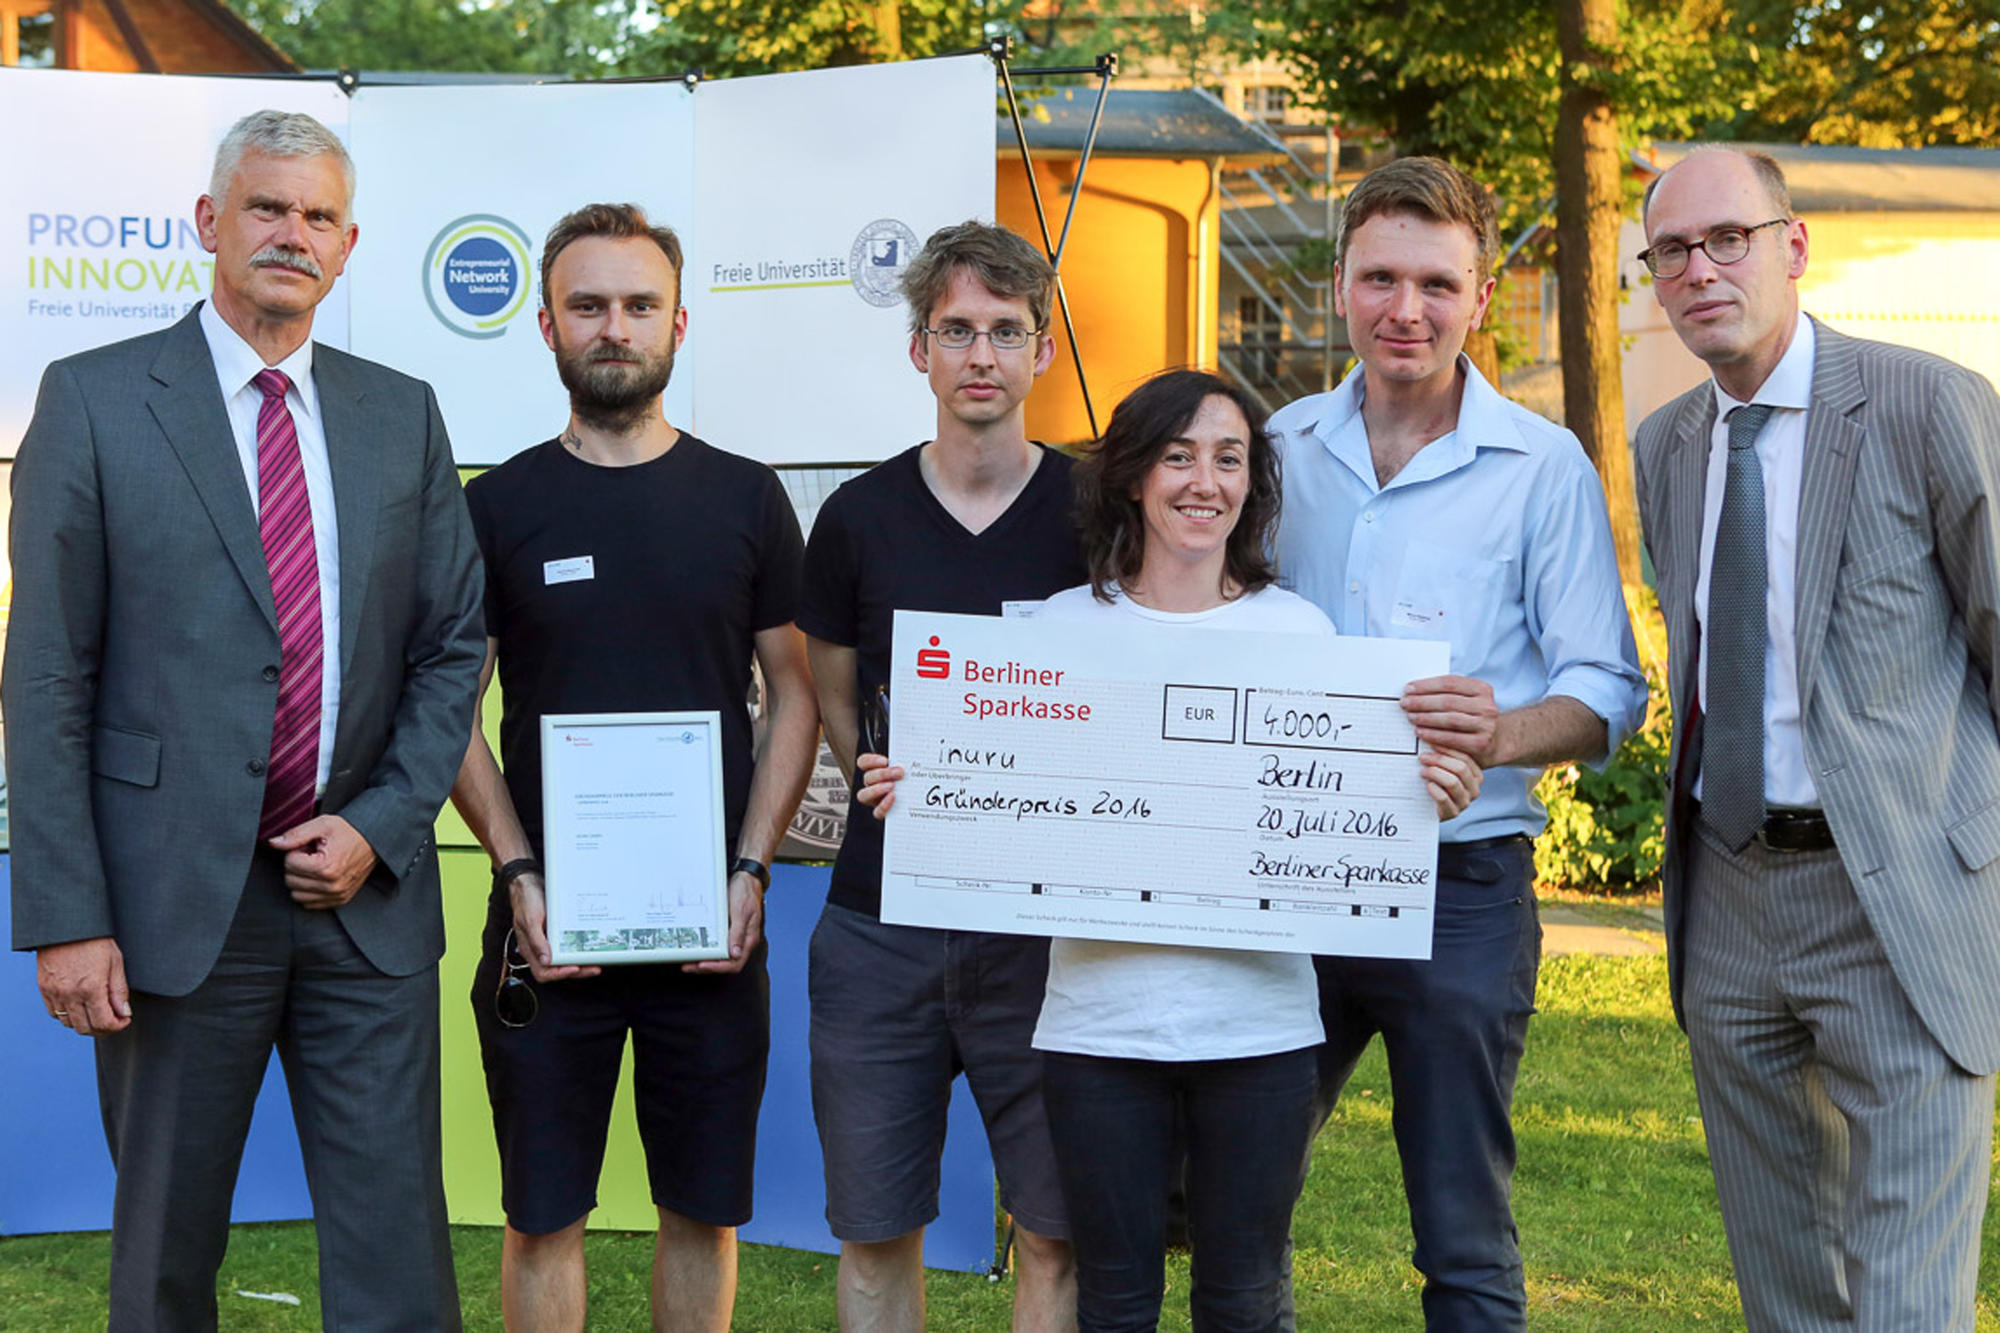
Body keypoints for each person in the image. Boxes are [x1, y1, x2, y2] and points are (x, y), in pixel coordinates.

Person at [857, 368, 1484, 1332]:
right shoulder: (1057, 632)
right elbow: (998, 792)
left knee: (1240, 1300)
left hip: (1262, 1034)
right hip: (1098, 1032)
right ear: (1137, 477)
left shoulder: (1301, 633)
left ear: (1253, 484)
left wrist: (1425, 794)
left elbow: (1354, 811)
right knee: (1115, 1301)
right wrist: (928, 801)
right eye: (1178, 455)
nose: (1204, 481)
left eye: (1228, 458)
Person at [5, 109, 485, 1330]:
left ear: (349, 243)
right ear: (211, 222)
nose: (291, 233)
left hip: (361, 905)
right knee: (164, 1260)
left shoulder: (401, 414)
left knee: (396, 1266)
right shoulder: (94, 399)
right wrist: (69, 917)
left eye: (317, 215)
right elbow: (48, 673)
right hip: (169, 911)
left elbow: (449, 650)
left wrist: (379, 823)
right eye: (267, 207)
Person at [1266, 156, 1648, 1330]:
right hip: (1289, 874)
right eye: (1378, 277)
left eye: (1435, 282)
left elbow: (1608, 689)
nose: (1405, 310)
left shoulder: (1541, 468)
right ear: (1337, 284)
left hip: (1462, 887)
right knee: (1228, 1197)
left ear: (1480, 296)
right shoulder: (1273, 447)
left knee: (1461, 1231)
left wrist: (1499, 730)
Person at [1633, 146, 2000, 1331]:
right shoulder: (1666, 445)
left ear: (1792, 245)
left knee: (1903, 1295)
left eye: (1725, 238)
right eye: (1671, 252)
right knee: (1783, 1285)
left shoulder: (1926, 404)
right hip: (1728, 901)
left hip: (1896, 898)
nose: (1698, 270)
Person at [448, 202, 819, 1333]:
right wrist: (518, 879)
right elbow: (450, 719)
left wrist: (750, 872)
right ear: (549, 325)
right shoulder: (495, 505)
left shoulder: (746, 498)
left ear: (678, 323)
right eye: (590, 305)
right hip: (549, 930)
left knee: (700, 1212)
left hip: (709, 928)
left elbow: (796, 694)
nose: (616, 326)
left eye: (639, 304)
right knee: (541, 1215)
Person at [797, 220, 1080, 1332]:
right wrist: (882, 775)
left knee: (1057, 1232)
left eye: (1004, 332)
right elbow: (829, 693)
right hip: (880, 926)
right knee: (873, 1231)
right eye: (955, 329)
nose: (979, 355)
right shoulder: (857, 518)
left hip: (1047, 932)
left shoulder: (1093, 515)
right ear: (916, 347)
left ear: (1040, 351)